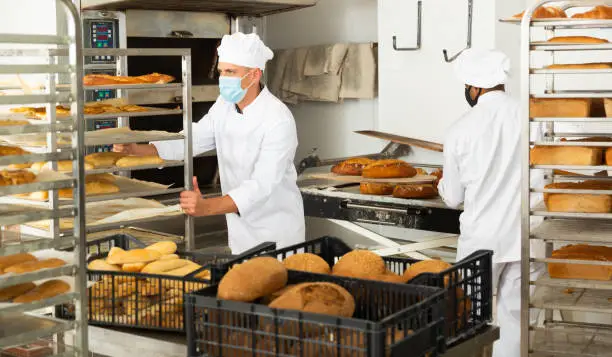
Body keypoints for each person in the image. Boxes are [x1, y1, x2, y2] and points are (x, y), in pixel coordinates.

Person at [113, 32, 305, 254]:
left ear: (254, 75)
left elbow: (261, 185)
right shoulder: (225, 104)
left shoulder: (277, 119)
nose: (223, 78)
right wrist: (139, 149)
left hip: (277, 234)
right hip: (240, 231)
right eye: (222, 71)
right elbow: (193, 139)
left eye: (231, 72)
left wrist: (207, 207)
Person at [436, 48, 544, 357]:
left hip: (482, 239)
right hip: (526, 235)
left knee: (467, 321)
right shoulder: (532, 120)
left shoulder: (459, 129)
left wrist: (441, 185)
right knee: (515, 319)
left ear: (475, 87)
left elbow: (454, 196)